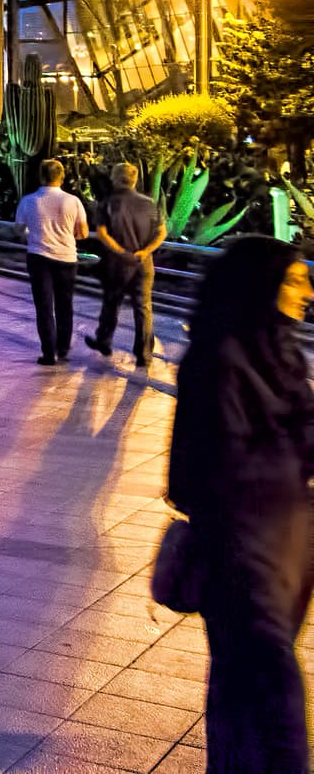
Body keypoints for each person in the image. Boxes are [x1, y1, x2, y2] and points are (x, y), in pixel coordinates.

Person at [167, 238, 314, 773]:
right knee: (271, 681)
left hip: (287, 543)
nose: (307, 292)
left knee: (239, 677)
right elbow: (197, 470)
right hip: (240, 546)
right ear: (260, 285)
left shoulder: (282, 350)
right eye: (295, 281)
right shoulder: (217, 359)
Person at [87, 161, 166, 369]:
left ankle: (104, 341)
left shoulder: (107, 202)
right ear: (134, 180)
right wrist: (145, 251)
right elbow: (161, 232)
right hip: (143, 263)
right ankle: (144, 354)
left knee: (111, 303)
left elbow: (102, 233)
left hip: (116, 264)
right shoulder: (149, 203)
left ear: (114, 178)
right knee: (143, 307)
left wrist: (121, 252)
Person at [15, 158, 88, 365]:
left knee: (44, 306)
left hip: (38, 257)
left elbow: (19, 229)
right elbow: (83, 232)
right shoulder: (73, 201)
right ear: (61, 177)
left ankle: (49, 353)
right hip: (66, 258)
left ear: (40, 176)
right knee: (65, 305)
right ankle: (63, 349)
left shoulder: (28, 201)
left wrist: (33, 233)